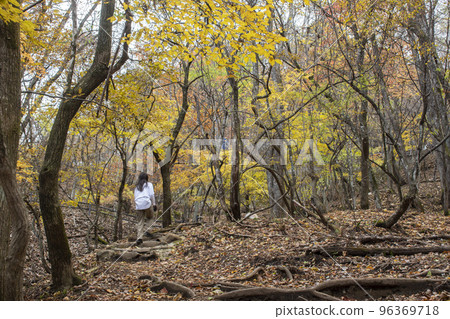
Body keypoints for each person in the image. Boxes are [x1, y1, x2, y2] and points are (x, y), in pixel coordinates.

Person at [134, 172, 157, 245]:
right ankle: (147, 230)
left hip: (138, 205)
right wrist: (154, 204)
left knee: (140, 222)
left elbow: (135, 197)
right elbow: (152, 195)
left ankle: (139, 238)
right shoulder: (149, 185)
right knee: (150, 217)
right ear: (147, 178)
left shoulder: (137, 187)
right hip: (147, 203)